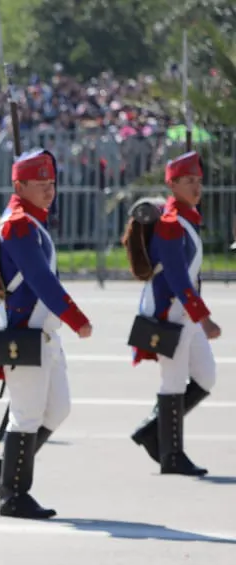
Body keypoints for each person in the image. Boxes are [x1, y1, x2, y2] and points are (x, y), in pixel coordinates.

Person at [0, 149, 92, 519]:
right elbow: (41, 279)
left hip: (42, 331)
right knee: (26, 416)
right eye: (40, 184)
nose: (49, 190)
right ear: (19, 185)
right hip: (23, 332)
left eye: (51, 183)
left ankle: (3, 472)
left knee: (58, 408)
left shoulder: (32, 220)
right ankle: (13, 494)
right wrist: (76, 318)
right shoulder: (20, 224)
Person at [130, 151, 221, 475]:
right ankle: (172, 455)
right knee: (173, 381)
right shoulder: (170, 224)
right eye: (188, 181)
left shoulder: (186, 218)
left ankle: (152, 430)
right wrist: (204, 316)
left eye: (198, 180)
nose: (197, 186)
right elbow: (177, 276)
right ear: (172, 184)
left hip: (186, 313)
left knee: (206, 377)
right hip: (171, 312)